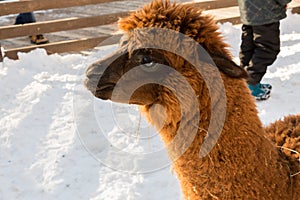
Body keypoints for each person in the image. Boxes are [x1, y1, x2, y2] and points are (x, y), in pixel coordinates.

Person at [238, 0, 291, 100]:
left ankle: (243, 81)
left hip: (248, 8)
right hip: (265, 11)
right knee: (268, 49)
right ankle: (250, 84)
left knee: (249, 44)